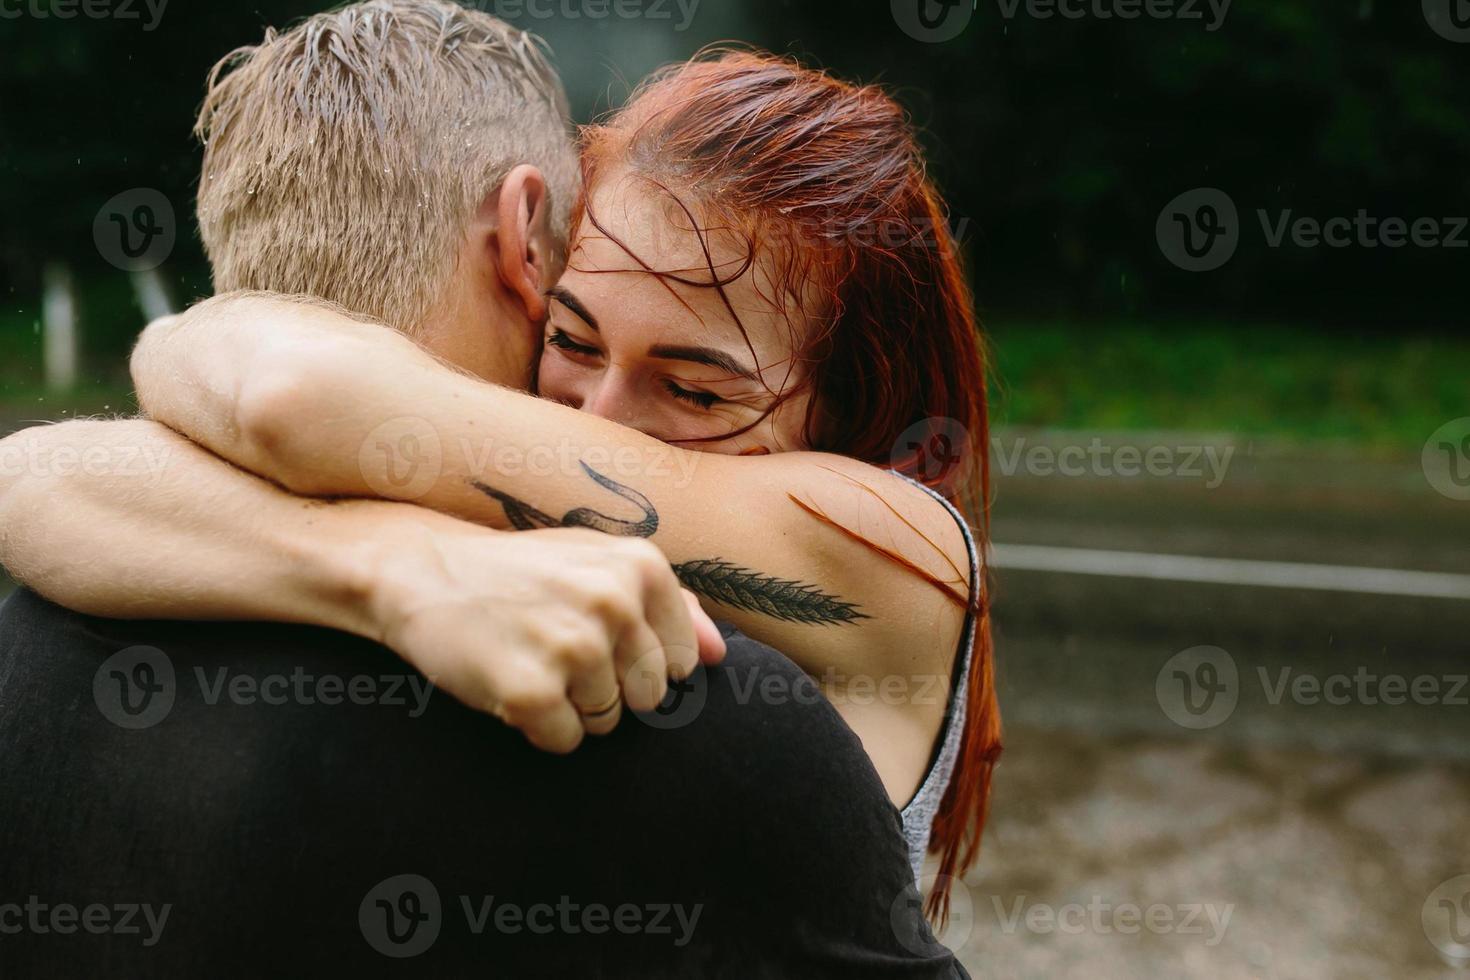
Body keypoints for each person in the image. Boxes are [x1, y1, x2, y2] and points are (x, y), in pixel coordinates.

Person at [0, 3, 970, 976]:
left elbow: (288, 398)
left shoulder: (896, 545)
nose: (590, 423)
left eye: (694, 388)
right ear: (529, 250)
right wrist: (391, 566)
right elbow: (29, 475)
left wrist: (183, 336)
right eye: (573, 337)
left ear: (856, 413)